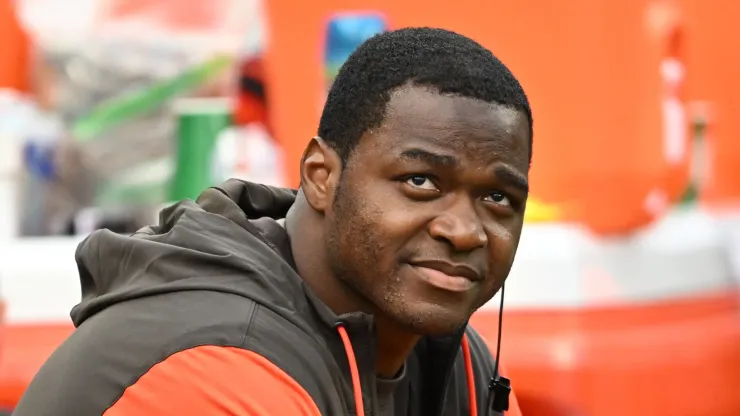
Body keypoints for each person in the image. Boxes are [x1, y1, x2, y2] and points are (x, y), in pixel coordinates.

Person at [14, 27, 532, 415]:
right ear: (320, 176)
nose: (464, 230)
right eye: (420, 182)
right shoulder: (218, 363)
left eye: (497, 197)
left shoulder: (451, 355)